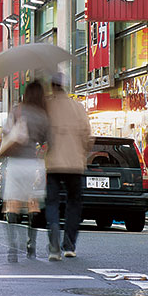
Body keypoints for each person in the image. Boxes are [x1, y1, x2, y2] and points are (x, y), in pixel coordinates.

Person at [0, 80, 50, 262]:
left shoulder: (17, 110)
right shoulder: (43, 115)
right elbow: (47, 141)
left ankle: (13, 248)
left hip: (15, 164)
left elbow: (5, 133)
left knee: (12, 204)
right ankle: (31, 244)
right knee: (32, 204)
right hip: (33, 165)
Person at [45, 72, 92, 260]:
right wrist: (82, 154)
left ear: (51, 86)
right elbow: (87, 137)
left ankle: (54, 247)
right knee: (74, 203)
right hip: (75, 164)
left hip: (54, 164)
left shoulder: (47, 107)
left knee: (52, 203)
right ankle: (69, 246)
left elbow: (41, 134)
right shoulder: (77, 107)